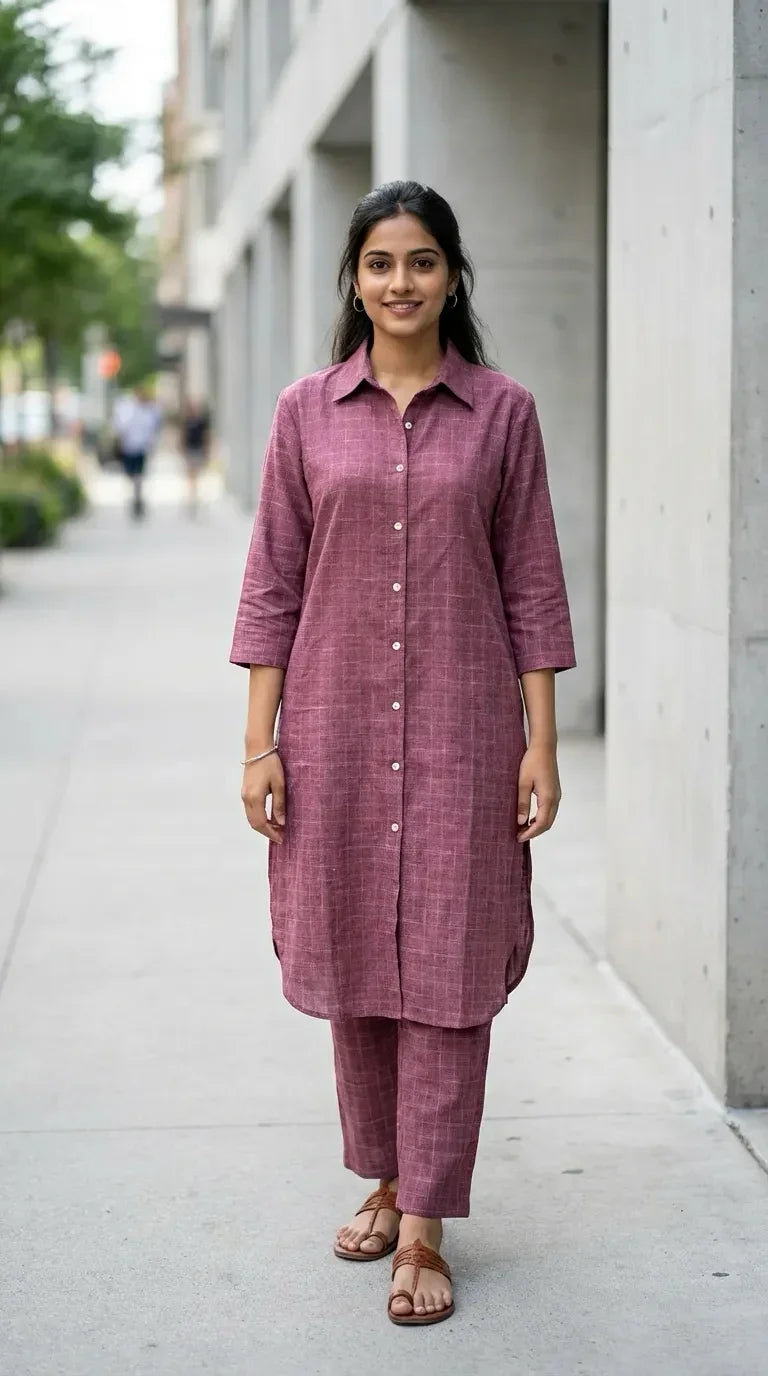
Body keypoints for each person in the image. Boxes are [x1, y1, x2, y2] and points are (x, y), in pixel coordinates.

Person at [229, 182, 577, 1327]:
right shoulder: (304, 413)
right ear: (356, 279)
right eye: (380, 262)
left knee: (451, 967)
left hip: (466, 734)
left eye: (422, 260)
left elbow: (532, 582)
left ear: (453, 275)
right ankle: (384, 1174)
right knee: (356, 961)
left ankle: (424, 1217)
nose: (401, 282)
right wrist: (259, 743)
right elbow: (273, 582)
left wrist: (541, 740)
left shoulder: (504, 414)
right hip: (332, 730)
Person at [113, 385, 162, 519]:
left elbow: (153, 429)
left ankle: (138, 498)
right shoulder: (127, 410)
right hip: (129, 448)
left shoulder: (149, 411)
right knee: (130, 474)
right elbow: (121, 427)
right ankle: (135, 496)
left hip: (141, 448)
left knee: (139, 475)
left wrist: (151, 445)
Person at [180, 397, 211, 516]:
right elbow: (183, 436)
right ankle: (192, 497)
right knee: (191, 476)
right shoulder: (186, 421)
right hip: (190, 451)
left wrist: (207, 451)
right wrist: (182, 449)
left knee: (197, 475)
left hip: (198, 450)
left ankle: (196, 496)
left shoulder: (202, 421)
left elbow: (206, 436)